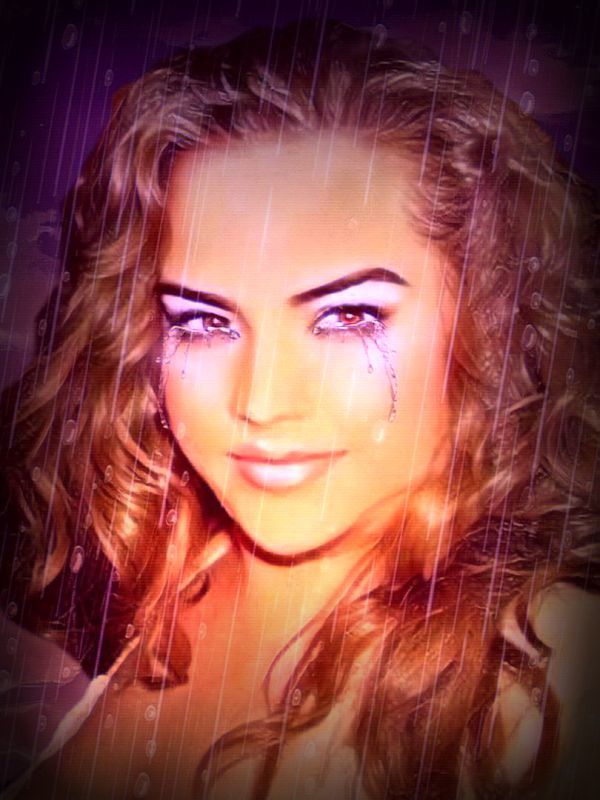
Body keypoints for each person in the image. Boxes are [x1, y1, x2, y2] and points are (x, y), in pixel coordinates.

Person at [1, 18, 599, 800]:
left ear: (487, 321)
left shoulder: (552, 673)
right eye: (203, 321)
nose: (261, 403)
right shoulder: (158, 563)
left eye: (348, 316)